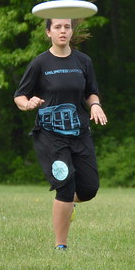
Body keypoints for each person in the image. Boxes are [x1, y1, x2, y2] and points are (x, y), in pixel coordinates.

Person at [14, 17, 107, 250]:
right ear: (48, 32)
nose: (63, 31)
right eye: (57, 27)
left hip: (79, 132)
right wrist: (28, 104)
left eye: (67, 27)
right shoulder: (40, 63)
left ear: (72, 30)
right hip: (50, 134)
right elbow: (19, 96)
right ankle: (61, 246)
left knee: (88, 189)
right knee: (65, 186)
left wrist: (95, 105)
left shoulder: (83, 61)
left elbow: (91, 93)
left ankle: (66, 205)